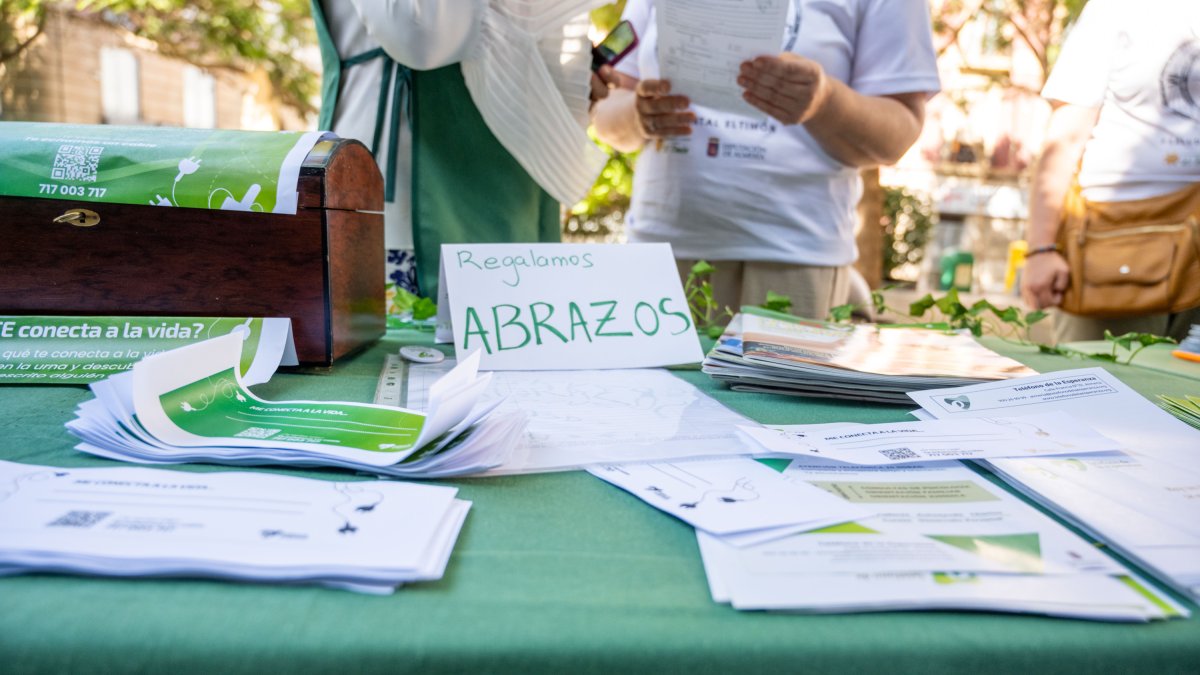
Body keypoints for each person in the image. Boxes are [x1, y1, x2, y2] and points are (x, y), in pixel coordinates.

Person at [590, 0, 939, 320]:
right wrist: (638, 114)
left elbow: (900, 130)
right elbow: (608, 105)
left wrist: (825, 101)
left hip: (795, 260)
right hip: (660, 254)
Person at [311, 0, 613, 299]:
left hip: (517, 180)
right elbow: (419, 28)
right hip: (411, 183)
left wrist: (566, 80)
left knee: (517, 317)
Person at [1021, 0, 1200, 342]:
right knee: (1096, 372)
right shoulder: (1117, 8)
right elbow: (1066, 136)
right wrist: (1041, 249)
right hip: (1113, 241)